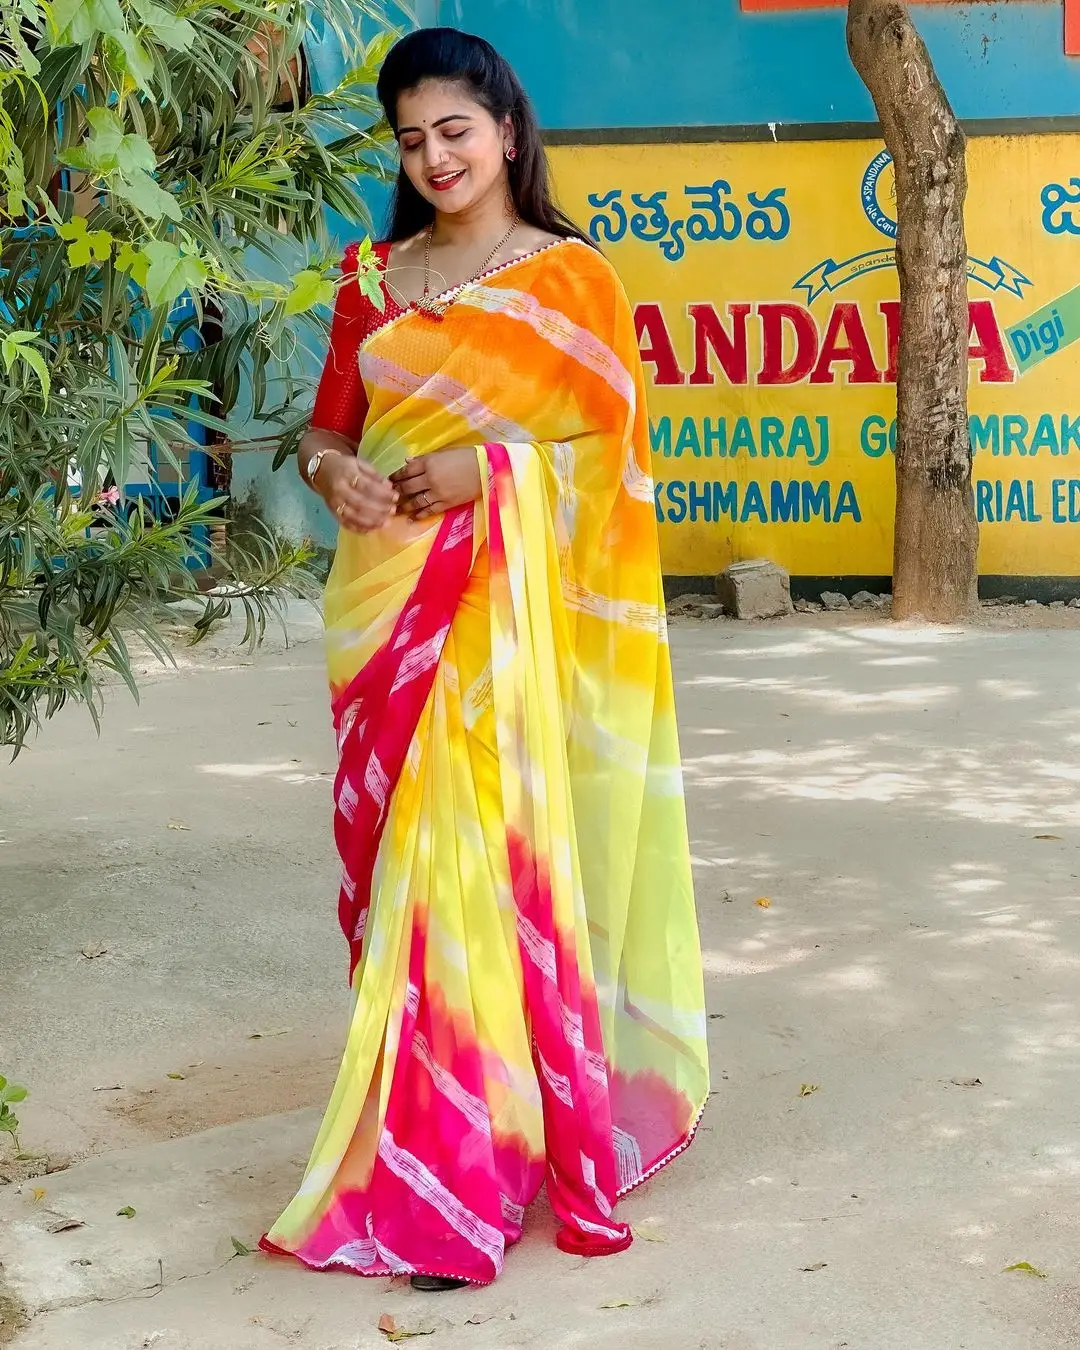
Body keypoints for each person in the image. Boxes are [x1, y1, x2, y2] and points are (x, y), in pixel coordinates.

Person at [260, 26, 709, 1291]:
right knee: (409, 884)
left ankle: (473, 1164)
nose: (435, 155)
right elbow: (326, 426)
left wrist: (490, 470)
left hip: (508, 632)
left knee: (481, 872)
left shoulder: (572, 283)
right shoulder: (370, 276)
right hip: (384, 611)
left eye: (455, 128)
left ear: (508, 129)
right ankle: (439, 1132)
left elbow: (615, 466)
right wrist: (333, 470)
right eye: (411, 137)